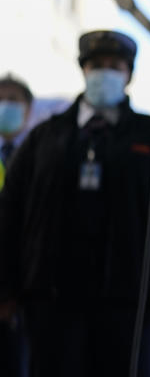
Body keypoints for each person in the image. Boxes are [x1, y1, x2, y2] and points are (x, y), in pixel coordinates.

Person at [0, 30, 150, 377]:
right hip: (50, 302)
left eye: (115, 66)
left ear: (128, 74)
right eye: (96, 65)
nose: (104, 73)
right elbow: (9, 214)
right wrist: (6, 287)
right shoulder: (44, 138)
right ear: (83, 69)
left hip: (133, 306)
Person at [0, 73, 33, 377]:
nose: (5, 107)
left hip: (20, 295)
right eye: (1, 100)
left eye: (13, 101)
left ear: (28, 110)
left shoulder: (39, 157)